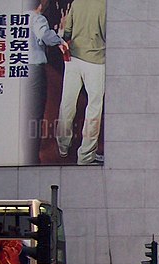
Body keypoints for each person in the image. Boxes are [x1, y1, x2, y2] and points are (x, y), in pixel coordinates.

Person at [55, 0, 106, 165]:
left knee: (67, 103)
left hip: (73, 59)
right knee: (93, 108)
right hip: (96, 62)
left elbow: (67, 32)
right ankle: (85, 156)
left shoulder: (77, 2)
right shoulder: (105, 5)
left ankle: (62, 146)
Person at [23, 0, 66, 165]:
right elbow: (44, 36)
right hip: (34, 70)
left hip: (20, 70)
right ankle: (32, 158)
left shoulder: (18, 18)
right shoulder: (38, 18)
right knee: (35, 114)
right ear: (41, 4)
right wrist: (59, 39)